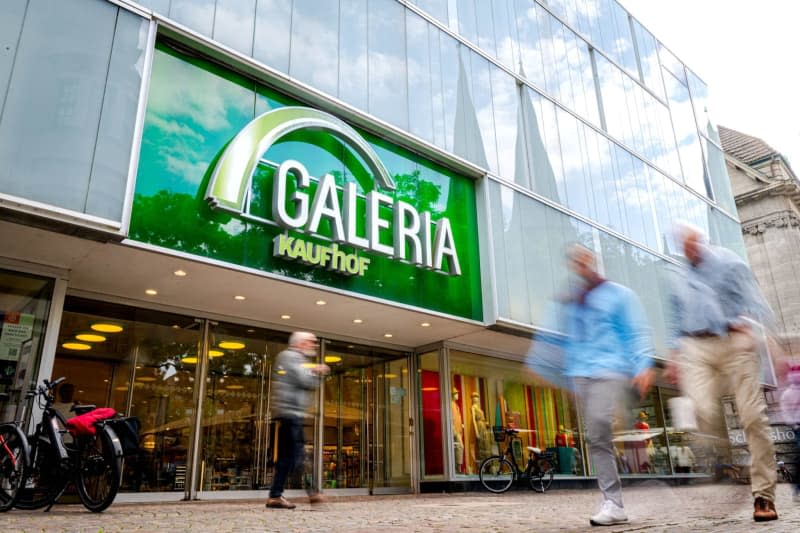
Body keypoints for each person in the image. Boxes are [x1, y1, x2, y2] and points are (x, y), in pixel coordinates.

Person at [663, 223, 779, 522]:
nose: (686, 248)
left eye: (690, 242)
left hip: (733, 339)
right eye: (681, 244)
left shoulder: (728, 262)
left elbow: (756, 302)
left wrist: (759, 333)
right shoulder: (679, 275)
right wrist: (674, 356)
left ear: (701, 239)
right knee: (701, 411)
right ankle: (724, 464)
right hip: (696, 346)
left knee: (752, 417)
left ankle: (763, 495)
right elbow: (676, 321)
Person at [532, 244, 654, 526]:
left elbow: (635, 330)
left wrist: (643, 364)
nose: (580, 263)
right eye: (574, 260)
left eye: (584, 258)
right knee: (597, 438)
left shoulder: (619, 295)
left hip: (610, 370)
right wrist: (547, 367)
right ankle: (614, 504)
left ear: (593, 261)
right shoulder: (573, 302)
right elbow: (560, 339)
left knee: (599, 423)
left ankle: (613, 501)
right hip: (581, 375)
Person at [265, 331, 329, 509]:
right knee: (298, 455)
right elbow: (304, 380)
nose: (314, 345)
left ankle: (275, 496)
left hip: (291, 413)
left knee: (287, 457)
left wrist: (313, 373)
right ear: (301, 343)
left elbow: (308, 382)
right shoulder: (290, 357)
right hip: (290, 412)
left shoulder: (295, 358)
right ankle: (313, 493)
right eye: (311, 342)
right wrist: (316, 370)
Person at [779, 363, 800, 500]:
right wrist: (794, 425)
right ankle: (797, 490)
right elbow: (786, 412)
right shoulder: (787, 394)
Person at [451, 388, 465, 474]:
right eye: (456, 394)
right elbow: (450, 418)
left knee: (457, 448)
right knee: (460, 447)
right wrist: (453, 430)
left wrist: (461, 425)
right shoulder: (450, 405)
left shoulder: (456, 405)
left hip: (459, 430)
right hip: (455, 431)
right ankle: (457, 468)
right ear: (452, 395)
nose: (457, 395)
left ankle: (457, 468)